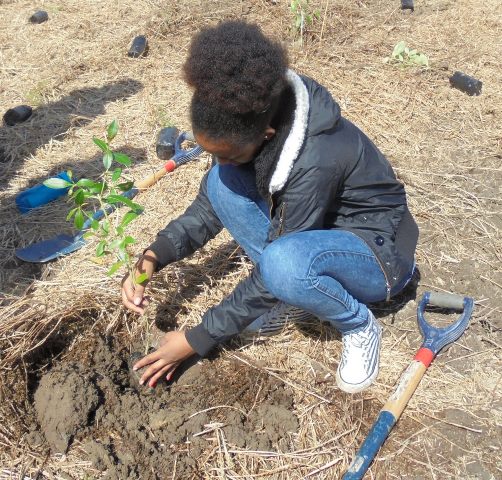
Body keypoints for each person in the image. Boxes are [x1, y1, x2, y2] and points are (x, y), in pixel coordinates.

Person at [122, 20, 419, 393]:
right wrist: (153, 256)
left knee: (282, 265)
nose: (219, 161)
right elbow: (207, 209)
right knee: (220, 184)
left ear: (266, 136)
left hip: (379, 256)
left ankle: (358, 323)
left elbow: (279, 260)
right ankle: (293, 294)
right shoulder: (250, 114)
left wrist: (196, 339)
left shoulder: (314, 159)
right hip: (322, 234)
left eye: (228, 154)